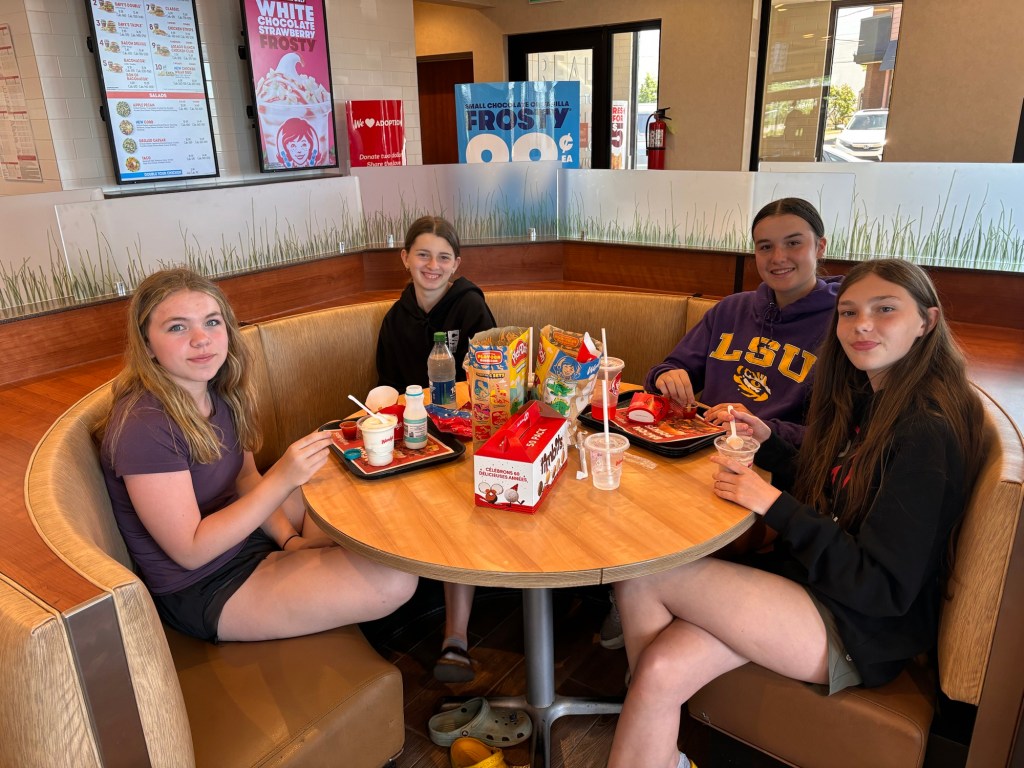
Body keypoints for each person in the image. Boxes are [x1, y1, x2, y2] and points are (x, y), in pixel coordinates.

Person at [607, 259, 985, 768]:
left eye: (885, 310)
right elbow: (836, 479)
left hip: (859, 627)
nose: (862, 325)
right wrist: (768, 442)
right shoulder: (873, 394)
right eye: (848, 312)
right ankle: (663, 749)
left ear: (927, 321)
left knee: (641, 575)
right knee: (659, 671)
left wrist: (773, 504)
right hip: (812, 584)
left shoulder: (926, 430)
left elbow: (882, 587)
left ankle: (647, 728)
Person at [96, 268, 417, 644]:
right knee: (396, 579)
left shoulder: (221, 391)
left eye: (211, 322)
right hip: (206, 583)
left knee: (335, 476)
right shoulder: (144, 426)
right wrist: (283, 477)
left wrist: (289, 540)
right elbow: (190, 551)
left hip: (244, 535)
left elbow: (246, 479)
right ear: (147, 344)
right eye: (177, 327)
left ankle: (310, 561)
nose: (201, 339)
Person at [600, 197, 842, 651]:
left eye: (793, 243)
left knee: (649, 522)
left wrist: (763, 428)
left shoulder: (842, 326)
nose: (778, 257)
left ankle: (640, 594)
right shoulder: (731, 310)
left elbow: (835, 438)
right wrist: (668, 376)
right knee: (615, 493)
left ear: (820, 246)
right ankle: (632, 592)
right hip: (694, 455)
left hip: (770, 478)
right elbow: (668, 368)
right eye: (765, 247)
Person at [375, 215, 498, 683]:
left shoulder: (470, 307)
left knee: (458, 508)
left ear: (456, 264)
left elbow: (492, 377)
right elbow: (386, 388)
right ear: (404, 258)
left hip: (467, 434)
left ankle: (455, 637)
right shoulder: (395, 319)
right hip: (413, 436)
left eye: (443, 257)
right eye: (423, 254)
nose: (432, 265)